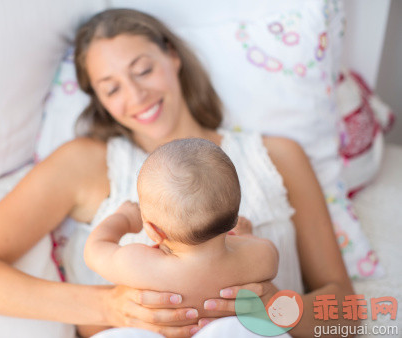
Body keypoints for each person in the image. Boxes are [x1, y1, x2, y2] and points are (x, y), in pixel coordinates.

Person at [0, 8, 355, 337]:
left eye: (143, 69)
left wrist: (280, 312)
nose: (136, 95)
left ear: (172, 57)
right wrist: (107, 306)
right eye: (112, 87)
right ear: (99, 100)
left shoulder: (277, 156)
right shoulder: (84, 164)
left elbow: (346, 314)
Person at [80, 138, 279, 337]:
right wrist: (245, 236)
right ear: (234, 218)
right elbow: (264, 250)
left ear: (154, 231)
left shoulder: (143, 265)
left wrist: (122, 218)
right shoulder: (260, 257)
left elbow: (95, 250)